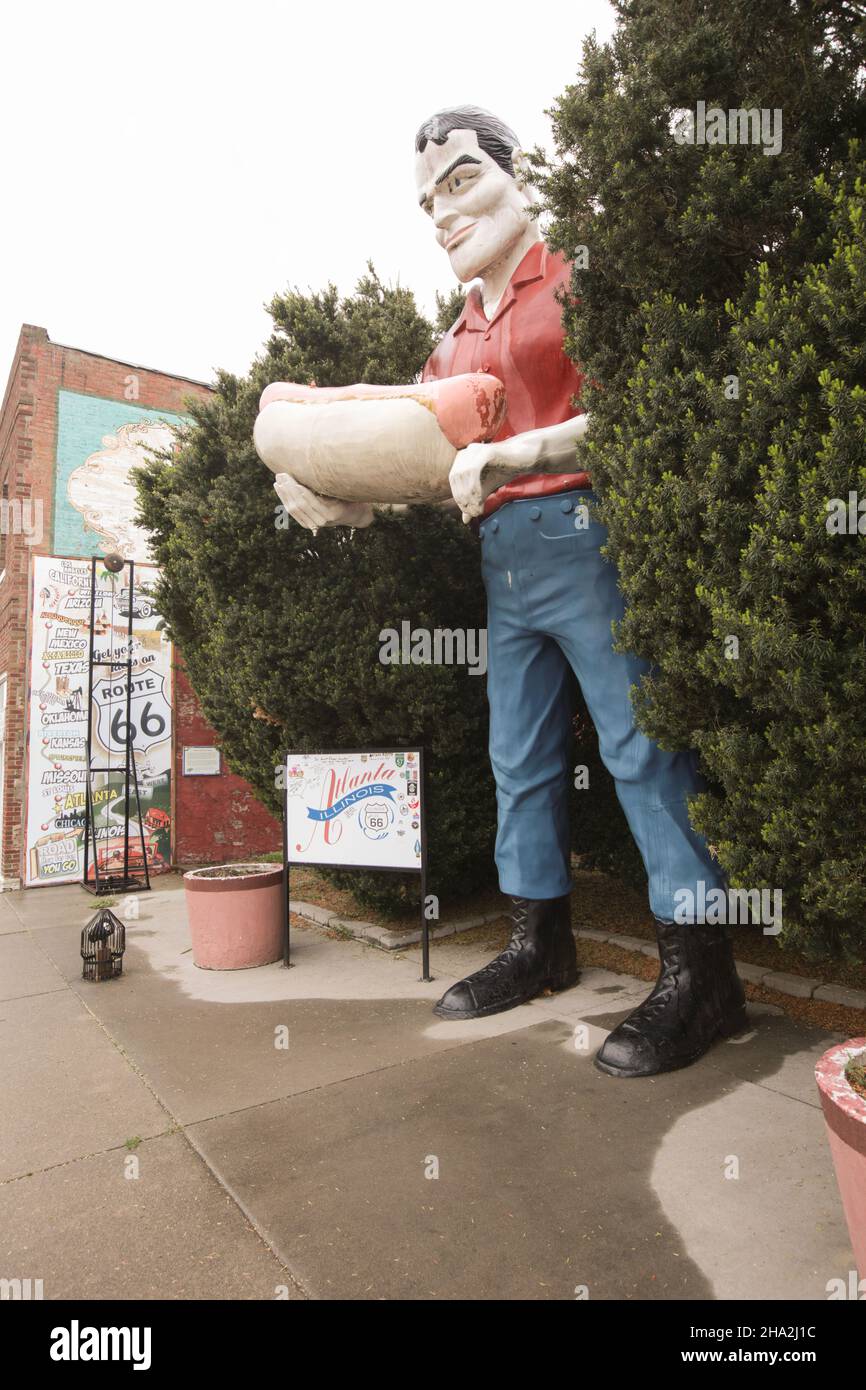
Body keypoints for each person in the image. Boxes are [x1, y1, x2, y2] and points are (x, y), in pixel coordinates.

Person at [261, 106, 746, 1077]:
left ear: (516, 177)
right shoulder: (449, 344)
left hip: (581, 536)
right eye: (427, 200)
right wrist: (332, 497)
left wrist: (519, 447)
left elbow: (631, 409)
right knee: (515, 754)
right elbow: (407, 454)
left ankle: (703, 974)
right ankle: (539, 940)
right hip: (503, 562)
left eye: (460, 182)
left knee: (639, 746)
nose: (443, 213)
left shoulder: (573, 281)